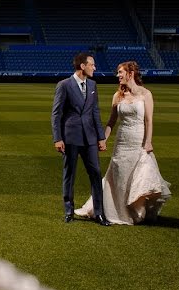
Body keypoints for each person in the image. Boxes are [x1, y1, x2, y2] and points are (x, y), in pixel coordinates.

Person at [75, 61, 171, 224]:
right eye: (118, 72)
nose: (118, 75)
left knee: (136, 176)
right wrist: (103, 139)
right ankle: (117, 211)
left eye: (120, 72)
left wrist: (148, 142)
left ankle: (135, 210)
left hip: (138, 141)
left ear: (130, 73)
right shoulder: (117, 95)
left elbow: (149, 121)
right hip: (122, 142)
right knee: (118, 176)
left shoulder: (146, 94)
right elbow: (111, 122)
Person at [51, 52, 110, 225]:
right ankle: (69, 210)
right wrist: (57, 138)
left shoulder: (92, 84)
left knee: (96, 173)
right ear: (82, 66)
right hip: (70, 138)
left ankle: (99, 213)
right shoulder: (64, 85)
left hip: (90, 138)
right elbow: (56, 114)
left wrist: (101, 137)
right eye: (92, 64)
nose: (95, 67)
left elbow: (95, 112)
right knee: (69, 174)